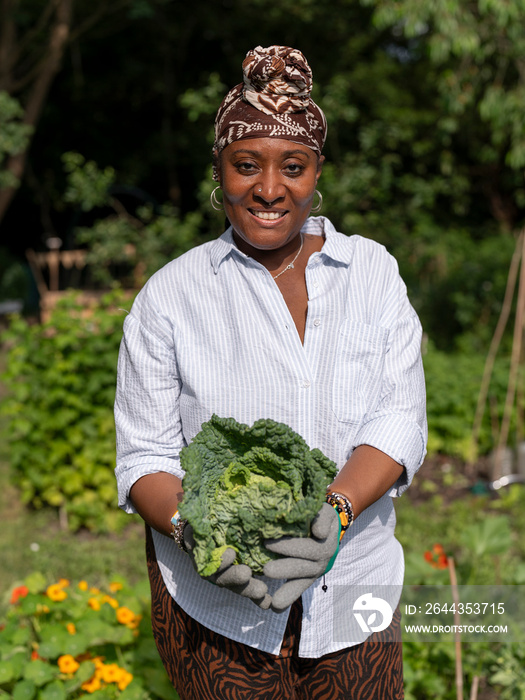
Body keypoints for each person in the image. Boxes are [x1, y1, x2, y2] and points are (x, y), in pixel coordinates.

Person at [115, 45, 427, 700]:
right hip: (214, 609)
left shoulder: (371, 273)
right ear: (219, 170)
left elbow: (396, 417)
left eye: (292, 166)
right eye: (244, 165)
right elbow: (144, 456)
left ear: (316, 173)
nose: (267, 188)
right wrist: (205, 539)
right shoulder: (170, 296)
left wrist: (333, 516)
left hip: (355, 592)